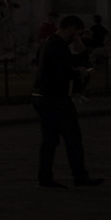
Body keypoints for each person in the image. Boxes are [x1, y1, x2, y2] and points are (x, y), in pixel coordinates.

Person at [32, 14, 103, 188]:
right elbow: (63, 70)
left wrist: (79, 53)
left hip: (41, 96)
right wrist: (78, 72)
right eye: (76, 33)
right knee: (72, 138)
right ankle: (79, 176)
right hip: (55, 98)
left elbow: (66, 62)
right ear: (70, 29)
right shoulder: (58, 46)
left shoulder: (49, 43)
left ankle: (44, 177)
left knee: (49, 139)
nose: (76, 37)